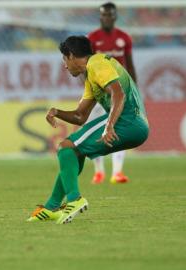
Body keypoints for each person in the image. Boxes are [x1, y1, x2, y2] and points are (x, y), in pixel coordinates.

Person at [27, 35, 148, 224]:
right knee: (74, 152)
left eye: (65, 60)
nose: (65, 66)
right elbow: (80, 116)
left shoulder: (97, 63)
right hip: (134, 124)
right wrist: (57, 112)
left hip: (128, 121)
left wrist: (109, 125)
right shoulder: (91, 75)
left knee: (65, 147)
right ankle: (51, 207)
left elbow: (118, 92)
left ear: (72, 56)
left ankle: (74, 199)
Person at [87, 2, 137, 184]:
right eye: (104, 15)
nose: (107, 17)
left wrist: (134, 89)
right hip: (98, 92)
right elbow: (86, 66)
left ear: (115, 16)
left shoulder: (124, 38)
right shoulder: (92, 38)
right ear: (100, 17)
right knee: (95, 129)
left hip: (119, 91)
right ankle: (98, 171)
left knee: (119, 129)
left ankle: (117, 172)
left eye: (110, 15)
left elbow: (130, 64)